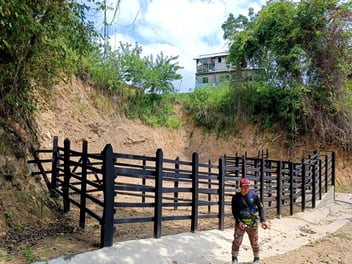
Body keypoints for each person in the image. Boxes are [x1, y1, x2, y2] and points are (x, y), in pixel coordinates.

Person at [231, 177, 269, 264]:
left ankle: (256, 259)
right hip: (240, 224)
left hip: (252, 224)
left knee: (254, 242)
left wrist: (263, 220)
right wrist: (239, 222)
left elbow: (261, 208)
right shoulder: (236, 198)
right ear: (240, 187)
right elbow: (234, 212)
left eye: (248, 186)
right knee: (237, 241)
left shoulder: (254, 196)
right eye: (244, 186)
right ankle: (234, 258)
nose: (246, 188)